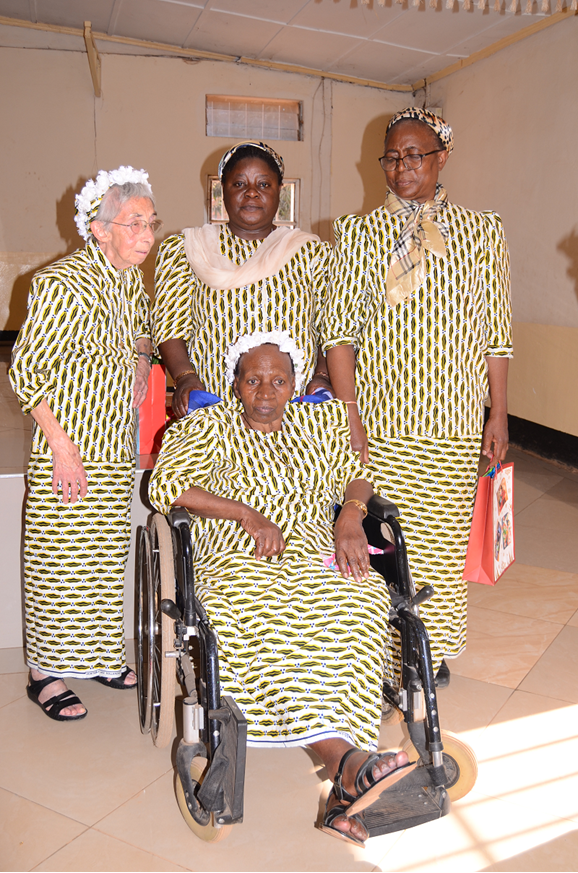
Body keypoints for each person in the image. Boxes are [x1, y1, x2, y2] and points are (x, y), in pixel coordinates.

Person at [148, 331, 411, 846]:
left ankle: (348, 770)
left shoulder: (320, 424)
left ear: (294, 385)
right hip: (236, 555)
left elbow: (359, 474)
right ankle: (348, 766)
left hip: (313, 551)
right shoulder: (208, 426)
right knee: (262, 610)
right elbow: (167, 485)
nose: (265, 392)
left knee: (359, 599)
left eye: (278, 381)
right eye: (253, 380)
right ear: (236, 384)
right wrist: (247, 515)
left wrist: (350, 517)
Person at [323, 108, 513, 687]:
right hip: (381, 420)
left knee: (441, 543)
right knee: (386, 544)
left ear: (442, 157)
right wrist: (350, 415)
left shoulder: (481, 232)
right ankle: (385, 655)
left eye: (415, 154)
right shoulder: (358, 234)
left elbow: (496, 332)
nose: (402, 167)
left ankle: (430, 650)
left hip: (453, 420)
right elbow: (338, 336)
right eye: (391, 157)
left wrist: (498, 414)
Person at [10, 166, 162, 720]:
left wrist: (141, 360)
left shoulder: (128, 280)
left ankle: (97, 655)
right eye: (133, 223)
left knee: (100, 559)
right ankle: (44, 673)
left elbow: (141, 327)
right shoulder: (61, 283)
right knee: (58, 560)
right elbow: (25, 372)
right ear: (99, 229)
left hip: (113, 445)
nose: (146, 235)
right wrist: (62, 447)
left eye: (151, 222)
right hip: (69, 448)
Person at [152, 141, 332, 416]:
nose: (251, 192)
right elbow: (169, 326)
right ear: (222, 190)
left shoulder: (311, 253)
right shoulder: (188, 250)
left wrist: (322, 376)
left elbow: (330, 327)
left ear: (279, 191)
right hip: (215, 408)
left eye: (263, 184)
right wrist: (185, 377)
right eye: (239, 184)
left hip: (293, 411)